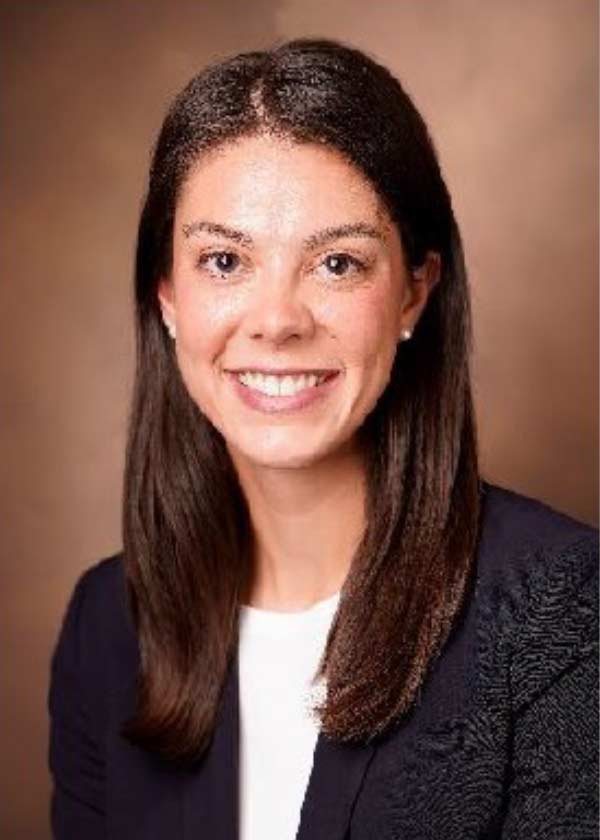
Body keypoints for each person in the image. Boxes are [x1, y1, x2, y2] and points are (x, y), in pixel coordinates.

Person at [48, 37, 598, 840]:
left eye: (337, 263)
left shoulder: (561, 610)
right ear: (167, 295)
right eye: (224, 260)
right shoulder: (106, 624)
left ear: (414, 293)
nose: (277, 320)